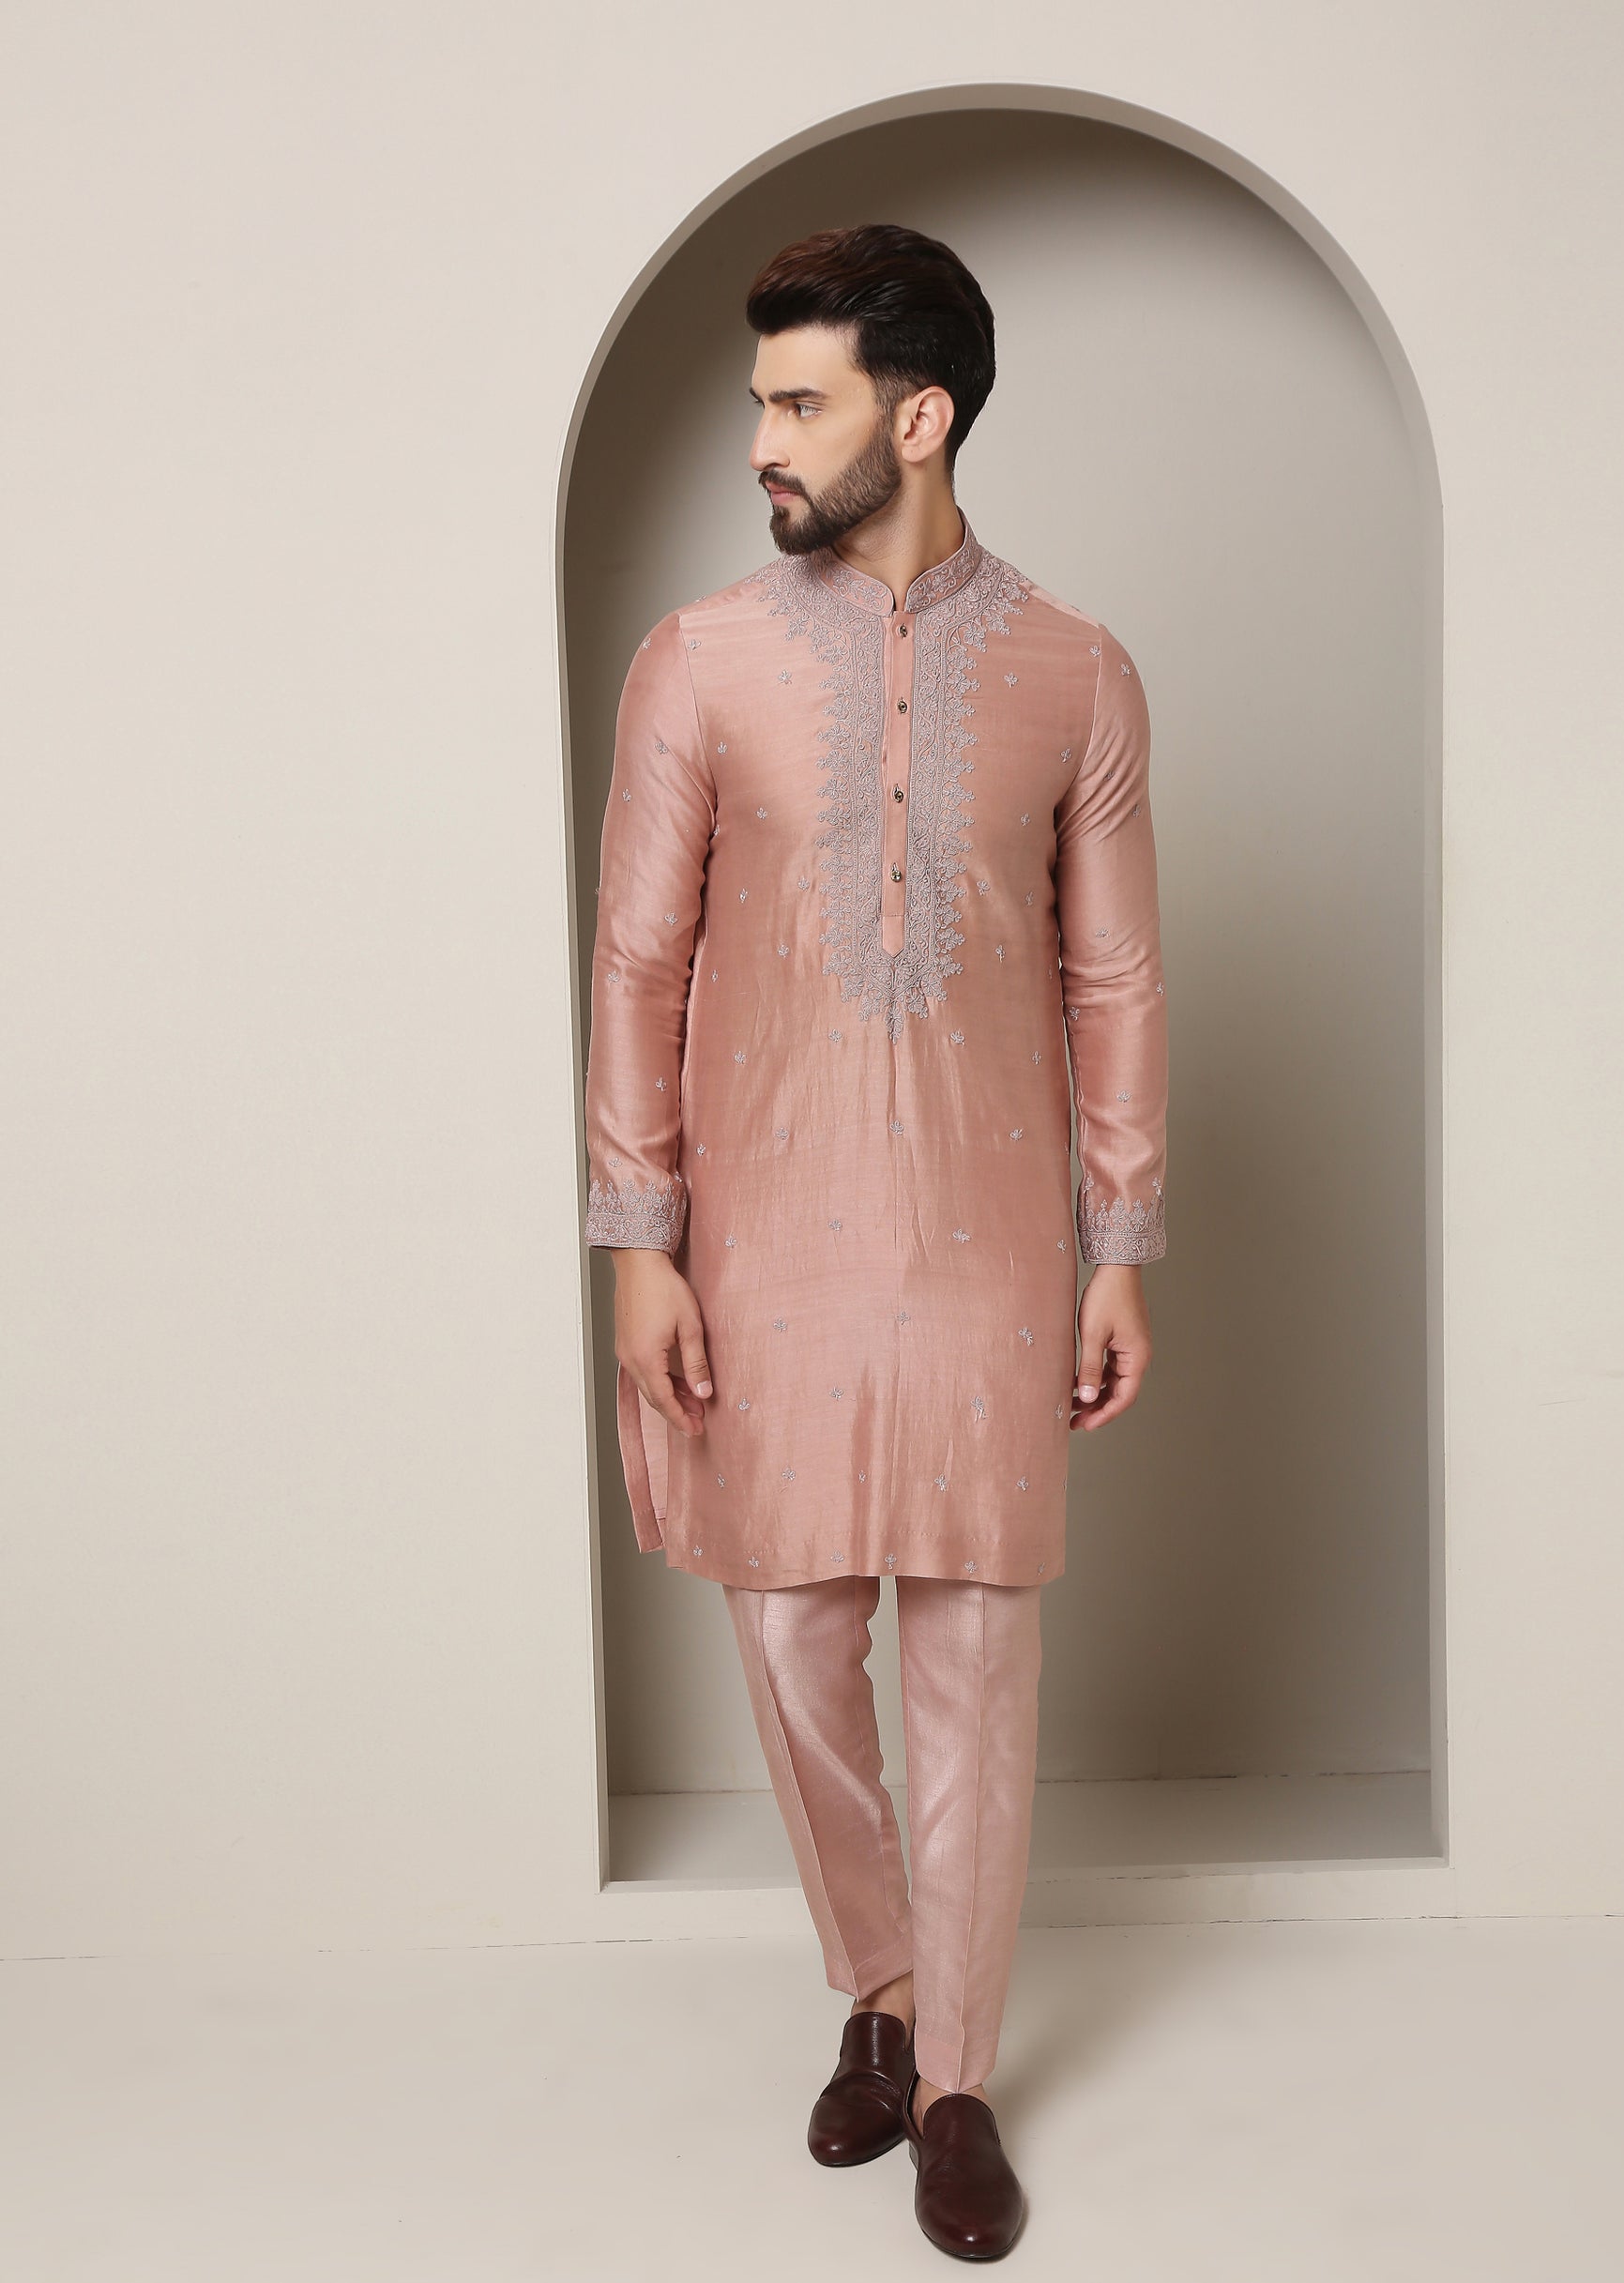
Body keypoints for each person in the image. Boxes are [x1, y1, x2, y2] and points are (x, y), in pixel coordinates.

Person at [582, 221, 1168, 2261]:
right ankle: (885, 1982)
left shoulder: (1078, 671)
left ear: (917, 420)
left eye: (797, 399)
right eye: (762, 399)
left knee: (979, 1656)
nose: (761, 437)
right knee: (789, 1630)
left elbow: (1115, 976)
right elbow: (636, 961)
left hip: (994, 1237)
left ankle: (957, 2080)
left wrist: (1121, 1238)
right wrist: (637, 1233)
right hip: (763, 1230)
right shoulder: (698, 661)